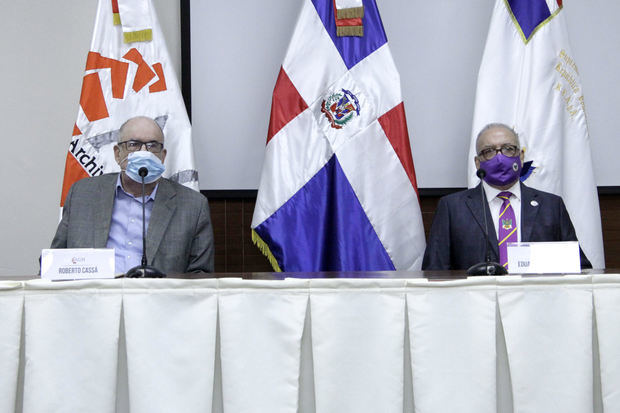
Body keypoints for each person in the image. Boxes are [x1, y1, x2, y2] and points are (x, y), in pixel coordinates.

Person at [51, 116, 214, 274]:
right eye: (133, 144)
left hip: (158, 299)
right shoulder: (82, 194)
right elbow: (55, 261)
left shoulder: (193, 206)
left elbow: (200, 275)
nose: (144, 152)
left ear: (163, 156)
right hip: (94, 297)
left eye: (152, 145)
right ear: (117, 153)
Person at [422, 123, 591, 271]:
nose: (500, 158)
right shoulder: (452, 208)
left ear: (521, 156)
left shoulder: (551, 206)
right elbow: (435, 272)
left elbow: (579, 267)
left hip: (539, 302)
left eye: (508, 149)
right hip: (475, 304)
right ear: (477, 162)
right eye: (489, 151)